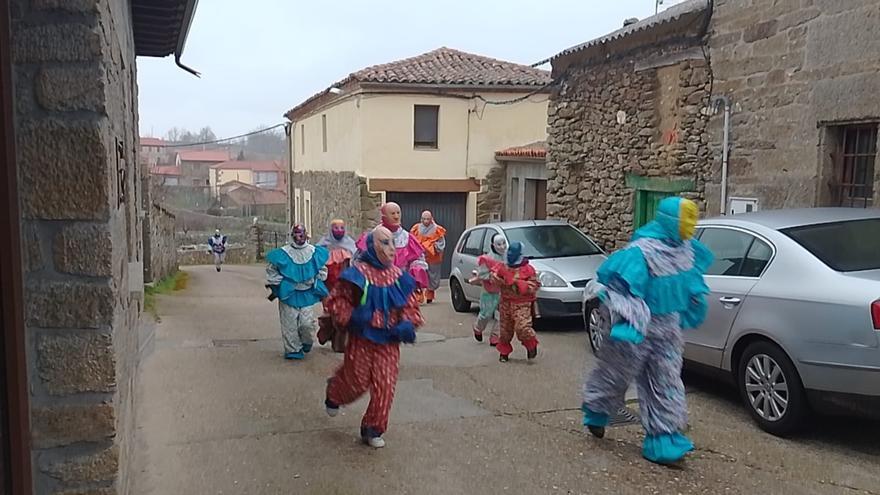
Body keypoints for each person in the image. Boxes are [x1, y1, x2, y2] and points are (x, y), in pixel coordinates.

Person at [581, 197, 712, 466]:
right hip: (635, 332)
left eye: (692, 218)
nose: (691, 225)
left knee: (666, 382)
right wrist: (630, 316)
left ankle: (663, 440)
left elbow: (688, 283)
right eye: (685, 219)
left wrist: (693, 301)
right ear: (670, 221)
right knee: (615, 376)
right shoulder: (642, 252)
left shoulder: (686, 251)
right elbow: (619, 287)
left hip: (667, 331)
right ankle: (596, 410)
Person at [324, 226, 424, 448]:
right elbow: (336, 301)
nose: (391, 248)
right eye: (384, 242)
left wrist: (407, 323)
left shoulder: (399, 276)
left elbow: (410, 306)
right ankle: (335, 393)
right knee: (357, 382)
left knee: (385, 385)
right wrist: (351, 316)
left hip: (389, 341)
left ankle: (373, 427)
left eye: (392, 242)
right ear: (371, 246)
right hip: (362, 339)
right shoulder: (356, 273)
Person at [266, 224, 329, 360]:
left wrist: (314, 281)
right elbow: (272, 270)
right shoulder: (283, 253)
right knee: (289, 324)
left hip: (307, 294)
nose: (299, 237)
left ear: (306, 234)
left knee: (306, 323)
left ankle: (306, 341)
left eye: (301, 233)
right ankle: (293, 349)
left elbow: (322, 270)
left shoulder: (313, 252)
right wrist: (282, 283)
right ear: (292, 235)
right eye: (296, 233)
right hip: (288, 294)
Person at [356, 202, 429, 289]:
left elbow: (418, 259)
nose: (396, 217)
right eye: (392, 213)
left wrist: (416, 268)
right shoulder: (372, 237)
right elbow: (358, 260)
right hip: (377, 285)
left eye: (398, 213)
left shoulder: (407, 238)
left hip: (400, 285)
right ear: (384, 217)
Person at [491, 241, 540, 362]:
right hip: (506, 302)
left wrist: (518, 283)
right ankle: (504, 352)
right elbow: (493, 277)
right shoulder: (503, 266)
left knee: (522, 327)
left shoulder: (528, 269)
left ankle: (531, 345)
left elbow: (534, 285)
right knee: (505, 330)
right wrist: (499, 279)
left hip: (522, 303)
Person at [468, 233, 507, 346]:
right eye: (499, 244)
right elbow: (482, 275)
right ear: (493, 245)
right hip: (489, 291)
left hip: (503, 290)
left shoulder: (507, 258)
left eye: (504, 243)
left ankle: (495, 336)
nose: (502, 246)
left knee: (503, 315)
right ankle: (478, 328)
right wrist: (493, 276)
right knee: (486, 314)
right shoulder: (486, 259)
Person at [316, 219, 357, 304]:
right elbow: (317, 253)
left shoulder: (349, 243)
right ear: (331, 230)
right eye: (336, 228)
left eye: (342, 228)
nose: (339, 230)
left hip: (344, 280)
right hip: (329, 280)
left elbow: (355, 256)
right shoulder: (325, 242)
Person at [410, 210, 446, 304]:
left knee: (433, 277)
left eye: (428, 219)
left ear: (431, 219)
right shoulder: (416, 228)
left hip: (433, 257)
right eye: (424, 219)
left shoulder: (437, 229)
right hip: (419, 257)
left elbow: (441, 243)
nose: (426, 221)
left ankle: (430, 294)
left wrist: (431, 246)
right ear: (421, 219)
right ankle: (419, 294)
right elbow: (411, 240)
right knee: (418, 275)